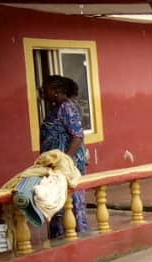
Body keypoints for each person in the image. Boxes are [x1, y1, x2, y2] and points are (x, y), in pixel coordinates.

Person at [40, 75, 88, 237]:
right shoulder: (56, 108)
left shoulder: (67, 108)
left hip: (67, 165)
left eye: (44, 89)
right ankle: (60, 234)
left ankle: (75, 236)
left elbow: (77, 136)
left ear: (56, 91)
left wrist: (65, 161)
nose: (42, 93)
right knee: (57, 201)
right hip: (56, 164)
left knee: (71, 202)